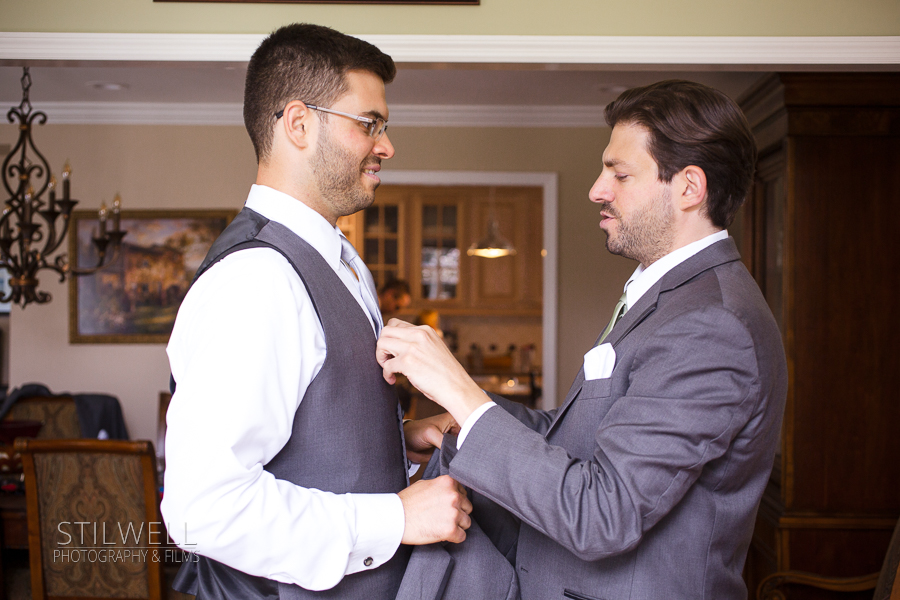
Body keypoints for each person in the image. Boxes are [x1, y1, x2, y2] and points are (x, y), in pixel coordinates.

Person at [377, 80, 788, 600]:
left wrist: (460, 390)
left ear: (688, 187)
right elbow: (580, 431)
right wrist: (462, 422)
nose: (597, 189)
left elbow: (601, 515)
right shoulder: (667, 296)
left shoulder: (711, 326)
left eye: (618, 173)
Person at [161, 23, 471, 600]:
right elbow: (203, 509)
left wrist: (396, 442)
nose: (386, 145)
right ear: (299, 124)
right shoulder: (257, 279)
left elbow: (306, 442)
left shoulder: (342, 261)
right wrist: (396, 519)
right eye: (369, 124)